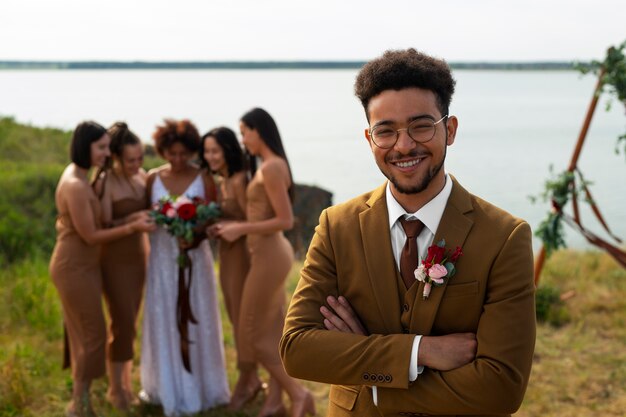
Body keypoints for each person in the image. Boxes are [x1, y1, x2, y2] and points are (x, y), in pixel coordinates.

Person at [280, 48, 536, 417]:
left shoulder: (504, 237)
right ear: (370, 139)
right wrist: (421, 351)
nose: (403, 145)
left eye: (421, 126)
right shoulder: (337, 226)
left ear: (449, 129)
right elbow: (297, 350)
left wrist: (371, 378)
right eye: (386, 131)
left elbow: (501, 389)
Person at [213, 108, 315, 417]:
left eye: (244, 132)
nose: (242, 139)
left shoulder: (271, 167)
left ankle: (299, 395)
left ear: (259, 130)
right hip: (265, 254)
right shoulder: (264, 165)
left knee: (252, 334)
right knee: (268, 331)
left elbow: (284, 220)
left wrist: (238, 228)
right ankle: (275, 402)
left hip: (271, 255)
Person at [49, 121, 155, 417]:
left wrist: (131, 221)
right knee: (92, 335)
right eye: (102, 148)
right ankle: (78, 404)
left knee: (85, 334)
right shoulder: (75, 185)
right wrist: (132, 225)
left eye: (108, 147)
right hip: (73, 264)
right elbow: (92, 235)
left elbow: (97, 226)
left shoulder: (81, 178)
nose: (107, 153)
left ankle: (83, 402)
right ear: (85, 147)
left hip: (87, 264)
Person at [139, 119, 230, 416]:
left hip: (195, 260)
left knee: (197, 318)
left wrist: (193, 235)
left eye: (183, 154)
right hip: (161, 262)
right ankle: (164, 386)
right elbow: (146, 216)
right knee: (163, 317)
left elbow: (213, 217)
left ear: (192, 150)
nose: (177, 160)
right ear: (162, 150)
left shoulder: (204, 177)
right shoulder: (152, 179)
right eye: (171, 153)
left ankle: (202, 388)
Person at [201, 127, 265, 411]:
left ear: (228, 150)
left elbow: (249, 224)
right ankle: (251, 377)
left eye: (215, 150)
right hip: (227, 257)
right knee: (234, 315)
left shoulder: (239, 181)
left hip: (242, 257)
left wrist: (230, 229)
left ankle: (248, 378)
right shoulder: (221, 180)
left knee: (243, 319)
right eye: (206, 151)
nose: (210, 156)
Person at [96, 122, 149, 410]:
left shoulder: (141, 176)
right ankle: (115, 389)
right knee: (122, 323)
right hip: (115, 260)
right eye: (131, 159)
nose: (137, 164)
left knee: (132, 322)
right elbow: (103, 224)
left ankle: (127, 384)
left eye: (140, 158)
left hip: (140, 256)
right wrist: (132, 221)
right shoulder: (106, 182)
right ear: (116, 157)